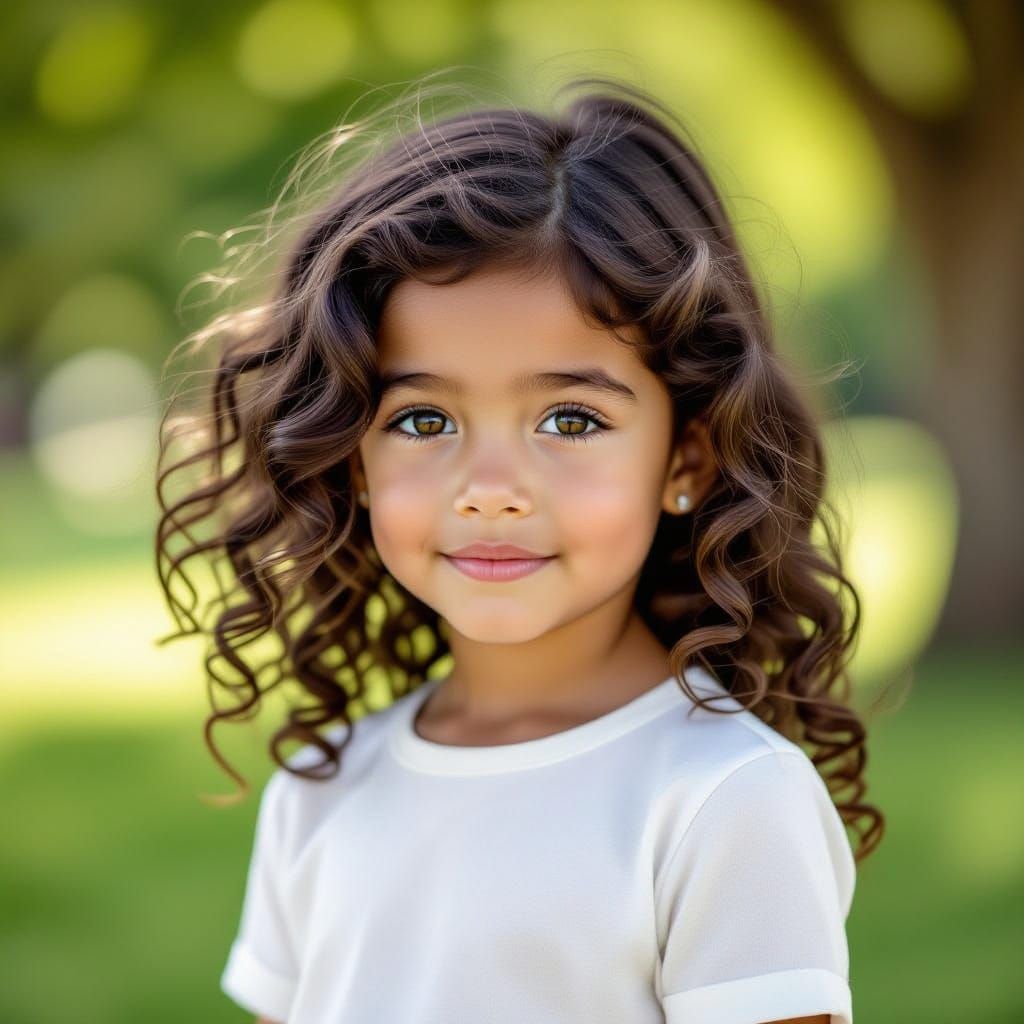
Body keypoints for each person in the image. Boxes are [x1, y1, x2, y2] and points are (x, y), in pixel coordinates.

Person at [155, 72, 884, 1024]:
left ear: (688, 457)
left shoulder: (725, 800)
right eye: (421, 419)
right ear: (354, 457)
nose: (490, 490)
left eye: (571, 419)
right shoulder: (323, 785)